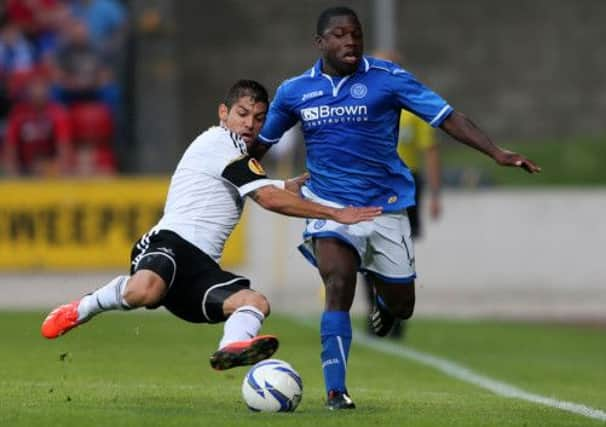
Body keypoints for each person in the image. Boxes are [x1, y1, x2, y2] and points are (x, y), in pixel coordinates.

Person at [250, 7, 540, 410]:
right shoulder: (294, 91)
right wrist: (227, 170)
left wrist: (495, 152)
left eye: (356, 33)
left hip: (385, 206)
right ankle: (336, 391)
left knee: (403, 305)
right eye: (339, 35)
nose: (350, 41)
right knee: (337, 282)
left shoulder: (388, 78)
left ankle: (387, 308)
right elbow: (257, 147)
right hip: (328, 203)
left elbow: (447, 117)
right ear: (320, 43)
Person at [40, 79, 382, 373]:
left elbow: (273, 189)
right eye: (242, 114)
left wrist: (308, 181)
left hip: (200, 269)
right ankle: (82, 308)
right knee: (146, 290)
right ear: (224, 113)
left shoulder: (240, 157)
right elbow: (267, 198)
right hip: (168, 244)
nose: (250, 124)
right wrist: (336, 214)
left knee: (255, 302)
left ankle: (231, 347)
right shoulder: (219, 143)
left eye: (259, 119)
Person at [363, 50, 443, 339]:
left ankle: (396, 314)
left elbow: (430, 151)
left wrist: (435, 194)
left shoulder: (411, 107)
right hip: (368, 182)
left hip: (405, 182)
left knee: (398, 246)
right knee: (365, 245)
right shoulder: (362, 103)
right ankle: (373, 308)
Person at [3, 71, 73, 176]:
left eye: (41, 87)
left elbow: (64, 147)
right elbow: (10, 147)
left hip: (50, 168)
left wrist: (53, 168)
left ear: (48, 90)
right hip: (23, 169)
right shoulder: (18, 113)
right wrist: (14, 171)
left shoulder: (58, 113)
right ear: (28, 90)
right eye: (34, 87)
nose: (38, 91)